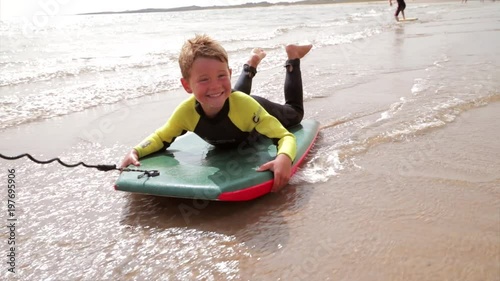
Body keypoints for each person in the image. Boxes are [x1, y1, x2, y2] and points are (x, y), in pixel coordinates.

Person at [119, 34, 312, 192]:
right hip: (234, 105)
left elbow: (284, 137)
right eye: (203, 79)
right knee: (220, 94)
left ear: (229, 74)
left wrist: (284, 157)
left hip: (252, 109)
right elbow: (161, 137)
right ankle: (251, 63)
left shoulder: (246, 107)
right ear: (187, 85)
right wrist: (136, 150)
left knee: (295, 114)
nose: (213, 84)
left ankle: (293, 56)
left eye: (222, 75)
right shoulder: (186, 113)